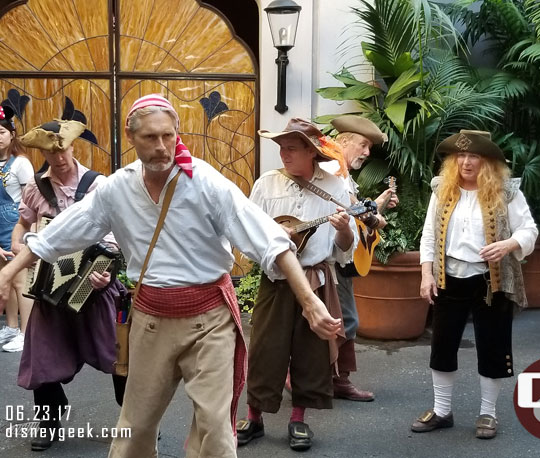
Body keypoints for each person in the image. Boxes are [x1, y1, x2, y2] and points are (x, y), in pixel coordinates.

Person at [0, 95, 341, 458]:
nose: (162, 146)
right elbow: (56, 236)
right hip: (150, 321)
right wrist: (7, 273)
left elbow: (271, 243)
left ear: (176, 131)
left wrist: (310, 303)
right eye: (150, 137)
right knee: (136, 427)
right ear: (131, 136)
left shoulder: (206, 182)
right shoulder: (116, 189)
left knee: (215, 429)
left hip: (210, 321)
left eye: (168, 135)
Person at [4, 118, 125, 451]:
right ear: (42, 151)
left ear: (74, 145)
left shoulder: (99, 185)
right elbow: (23, 224)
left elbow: (115, 237)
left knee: (119, 358)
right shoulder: (35, 188)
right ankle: (50, 418)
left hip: (95, 289)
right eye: (50, 152)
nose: (58, 158)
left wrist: (105, 271)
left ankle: (136, 420)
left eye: (63, 149)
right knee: (39, 357)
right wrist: (19, 246)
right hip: (48, 290)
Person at [237, 118, 357, 451]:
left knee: (309, 352)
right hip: (275, 280)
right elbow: (248, 233)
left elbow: (346, 247)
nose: (283, 154)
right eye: (281, 147)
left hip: (315, 279)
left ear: (310, 151)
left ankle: (298, 420)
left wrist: (345, 228)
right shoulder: (266, 184)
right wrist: (272, 245)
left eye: (291, 148)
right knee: (264, 349)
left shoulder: (335, 187)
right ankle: (254, 417)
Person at [411, 130, 538, 439]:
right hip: (448, 277)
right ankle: (442, 411)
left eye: (474, 156)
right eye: (461, 156)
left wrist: (508, 244)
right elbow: (429, 235)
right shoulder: (442, 189)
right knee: (442, 345)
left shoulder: (507, 192)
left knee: (493, 346)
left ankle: (488, 414)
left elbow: (529, 230)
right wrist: (427, 274)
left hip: (489, 280)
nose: (466, 162)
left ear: (489, 162)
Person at [320, 114, 398, 401]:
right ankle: (328, 380)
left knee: (338, 320)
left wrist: (378, 206)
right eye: (363, 145)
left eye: (369, 148)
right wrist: (376, 216)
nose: (367, 153)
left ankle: (327, 379)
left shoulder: (341, 173)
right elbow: (360, 214)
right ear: (343, 142)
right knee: (344, 320)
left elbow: (357, 214)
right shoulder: (331, 168)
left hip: (338, 256)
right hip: (329, 258)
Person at [0, 104, 34, 352]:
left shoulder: (21, 164)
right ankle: (10, 328)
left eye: (1, 132)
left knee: (21, 282)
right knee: (5, 279)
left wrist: (26, 233)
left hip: (14, 225)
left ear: (11, 134)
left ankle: (26, 332)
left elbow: (29, 200)